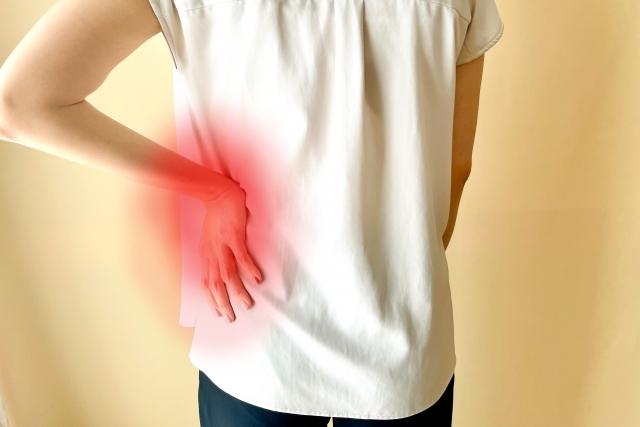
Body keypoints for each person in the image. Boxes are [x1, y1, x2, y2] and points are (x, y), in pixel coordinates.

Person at [0, 0, 504, 425]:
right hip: (402, 346)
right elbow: (456, 169)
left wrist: (214, 193)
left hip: (253, 334)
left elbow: (18, 104)